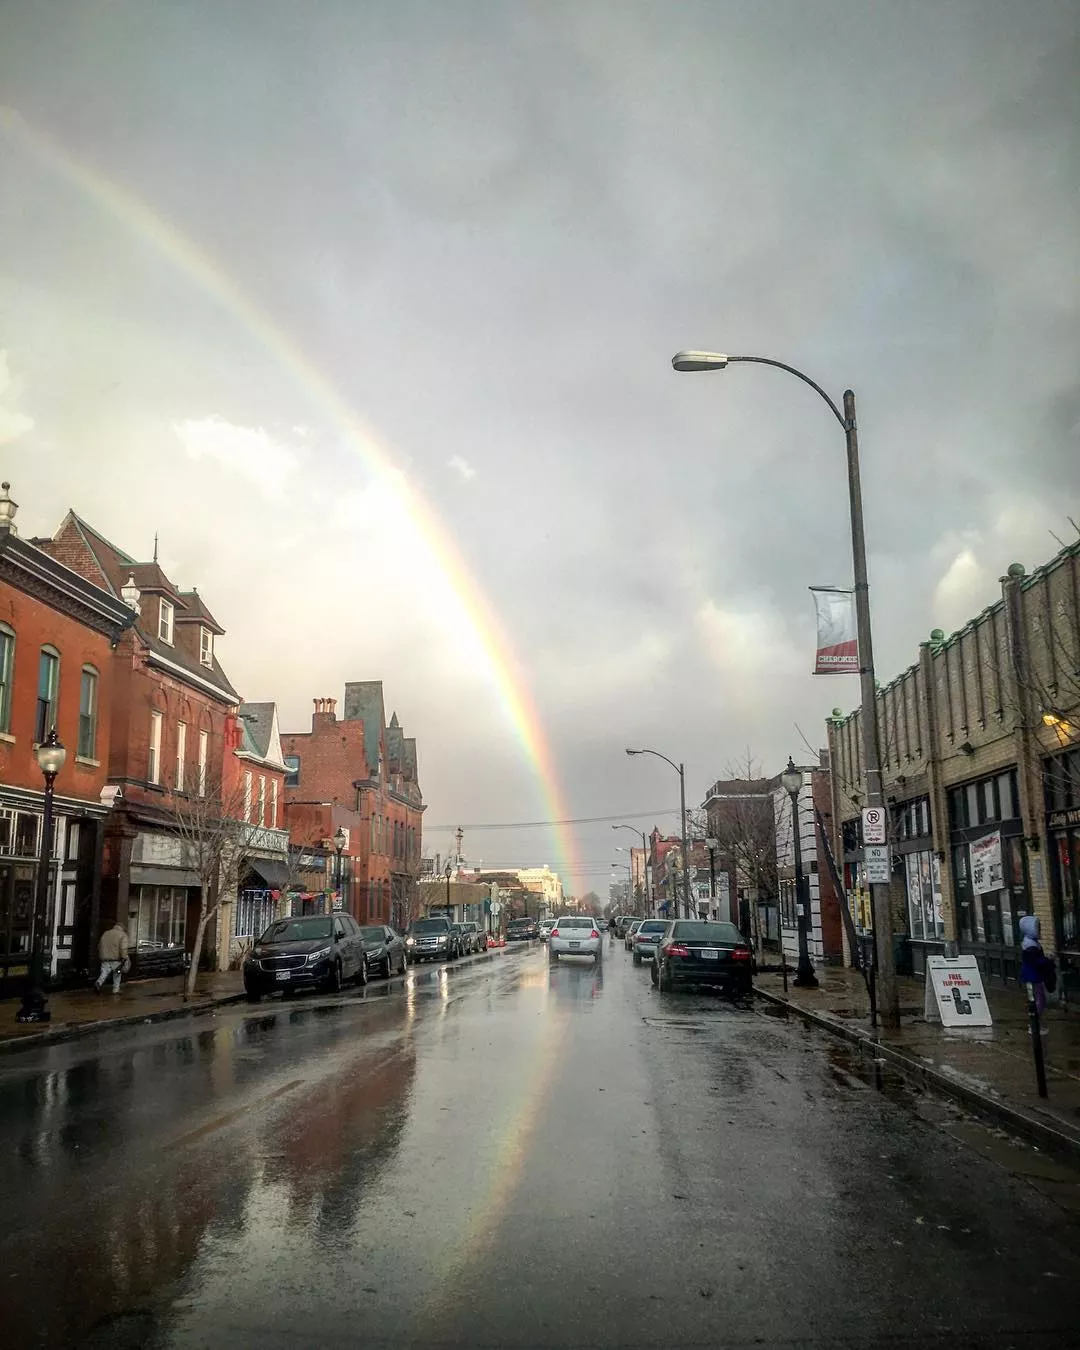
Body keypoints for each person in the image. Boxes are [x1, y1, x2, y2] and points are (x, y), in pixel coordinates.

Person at [1019, 914, 1055, 1021]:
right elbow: (1035, 961)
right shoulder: (1031, 945)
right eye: (1038, 928)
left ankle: (1035, 1023)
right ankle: (1034, 1024)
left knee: (1037, 999)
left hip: (1033, 975)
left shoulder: (1030, 942)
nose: (1040, 930)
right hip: (1033, 976)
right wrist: (1048, 959)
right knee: (1039, 1000)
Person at [95, 920, 130, 994]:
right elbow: (123, 948)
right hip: (116, 959)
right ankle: (116, 989)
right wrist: (124, 957)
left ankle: (99, 982)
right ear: (122, 928)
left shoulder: (106, 933)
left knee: (104, 972)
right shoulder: (123, 935)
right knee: (117, 974)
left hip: (105, 958)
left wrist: (101, 955)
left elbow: (100, 945)